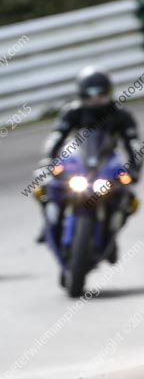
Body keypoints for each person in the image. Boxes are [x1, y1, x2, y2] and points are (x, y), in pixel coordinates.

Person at [36, 67, 141, 248]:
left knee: (129, 198)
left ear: (109, 92)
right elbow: (56, 137)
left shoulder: (121, 115)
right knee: (44, 186)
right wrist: (50, 159)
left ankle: (111, 232)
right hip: (79, 161)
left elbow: (134, 144)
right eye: (89, 95)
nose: (95, 99)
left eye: (100, 94)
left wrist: (134, 169)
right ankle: (49, 225)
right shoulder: (73, 112)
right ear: (81, 95)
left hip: (107, 164)